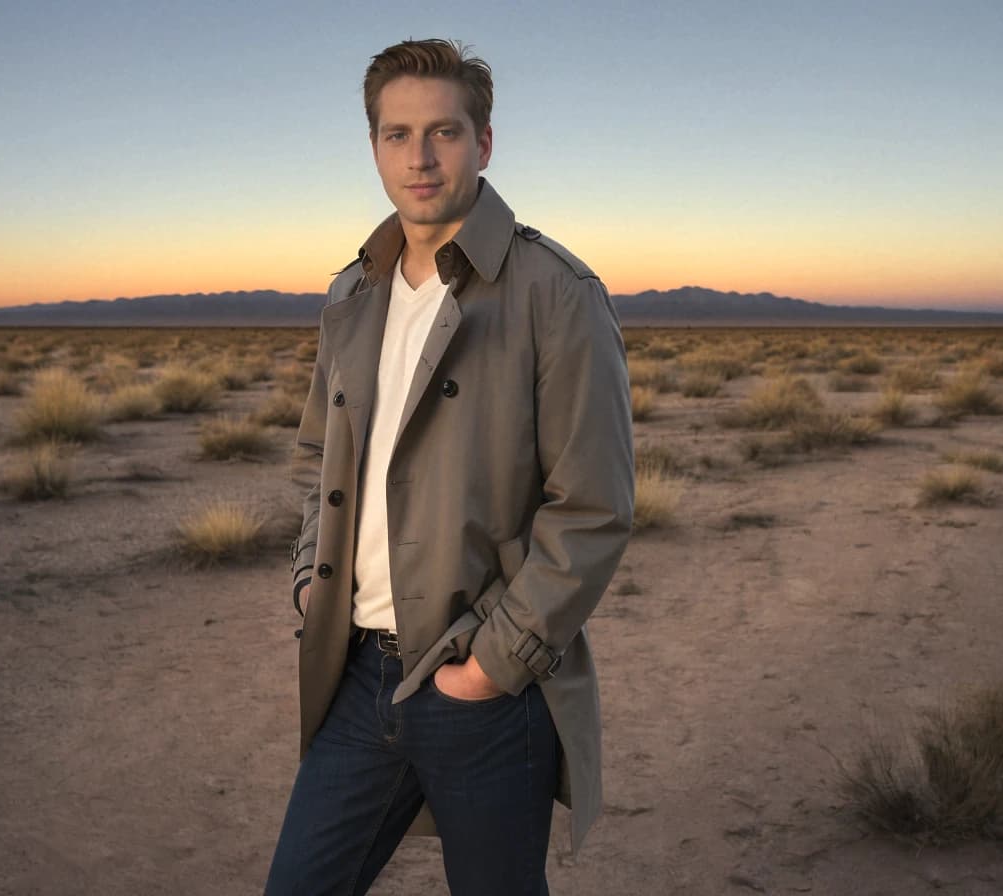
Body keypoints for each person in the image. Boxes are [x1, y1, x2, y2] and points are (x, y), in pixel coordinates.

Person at [267, 38, 634, 896]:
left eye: (444, 132)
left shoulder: (554, 292)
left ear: (485, 143)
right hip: (358, 674)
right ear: (374, 148)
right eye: (397, 134)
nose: (420, 157)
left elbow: (593, 506)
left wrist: (494, 665)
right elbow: (321, 459)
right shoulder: (350, 294)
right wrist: (307, 582)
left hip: (483, 683)